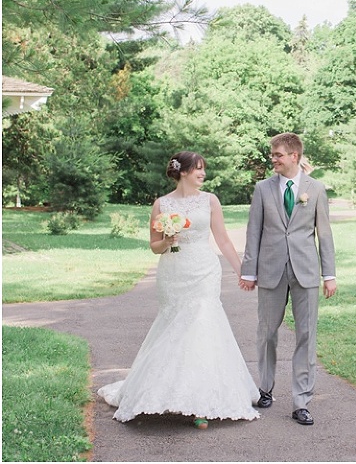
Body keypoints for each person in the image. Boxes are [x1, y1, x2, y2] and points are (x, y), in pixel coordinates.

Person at [97, 151, 260, 429]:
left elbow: (222, 240)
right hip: (173, 272)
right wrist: (168, 238)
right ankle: (163, 391)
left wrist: (241, 271)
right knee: (173, 327)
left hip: (204, 270)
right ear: (182, 171)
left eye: (203, 170)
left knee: (203, 325)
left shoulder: (210, 200)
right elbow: (154, 245)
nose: (202, 174)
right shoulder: (161, 204)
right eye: (197, 169)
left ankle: (202, 400)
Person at [239, 132, 337, 426]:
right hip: (270, 269)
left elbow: (325, 234)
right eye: (273, 155)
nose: (273, 160)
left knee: (306, 335)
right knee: (267, 331)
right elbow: (253, 230)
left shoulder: (316, 190)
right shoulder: (262, 189)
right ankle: (265, 388)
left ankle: (301, 401)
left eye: (278, 155)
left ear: (294, 156)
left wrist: (329, 274)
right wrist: (249, 270)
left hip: (305, 270)